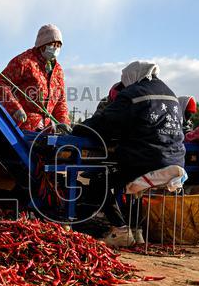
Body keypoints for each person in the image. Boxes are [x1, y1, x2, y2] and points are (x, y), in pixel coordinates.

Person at [75, 61, 185, 246]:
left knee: (99, 181)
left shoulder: (134, 93)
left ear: (131, 76)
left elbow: (104, 122)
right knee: (130, 181)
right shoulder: (170, 94)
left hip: (147, 159)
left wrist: (79, 128)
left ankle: (121, 230)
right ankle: (136, 231)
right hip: (175, 160)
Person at [0, 24, 70, 132]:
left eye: (59, 45)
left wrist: (63, 123)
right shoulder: (25, 62)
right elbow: (0, 84)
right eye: (52, 44)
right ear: (42, 44)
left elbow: (60, 100)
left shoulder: (58, 71)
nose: (56, 48)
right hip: (22, 128)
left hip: (45, 131)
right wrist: (15, 108)